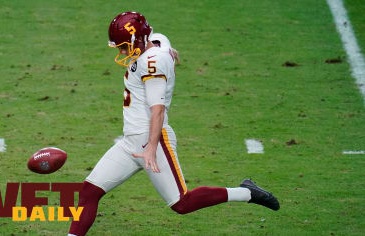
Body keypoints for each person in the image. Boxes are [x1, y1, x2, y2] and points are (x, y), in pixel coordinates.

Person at [68, 12, 279, 236]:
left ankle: (247, 193)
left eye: (123, 46)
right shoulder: (155, 47)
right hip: (130, 142)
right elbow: (159, 38)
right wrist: (168, 49)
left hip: (152, 141)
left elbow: (157, 109)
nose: (122, 52)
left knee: (181, 203)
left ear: (137, 40)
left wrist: (150, 147)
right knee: (89, 191)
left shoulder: (153, 64)